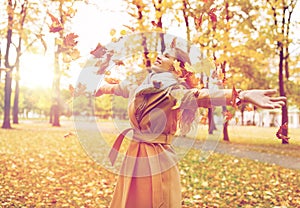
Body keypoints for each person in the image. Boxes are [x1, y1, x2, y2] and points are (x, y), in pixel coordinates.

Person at [94, 47, 286, 208]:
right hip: (135, 156)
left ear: (178, 69)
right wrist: (100, 88)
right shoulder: (141, 85)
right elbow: (118, 88)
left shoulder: (174, 92)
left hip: (156, 160)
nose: (161, 55)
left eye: (169, 56)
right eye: (163, 52)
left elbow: (201, 96)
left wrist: (241, 95)